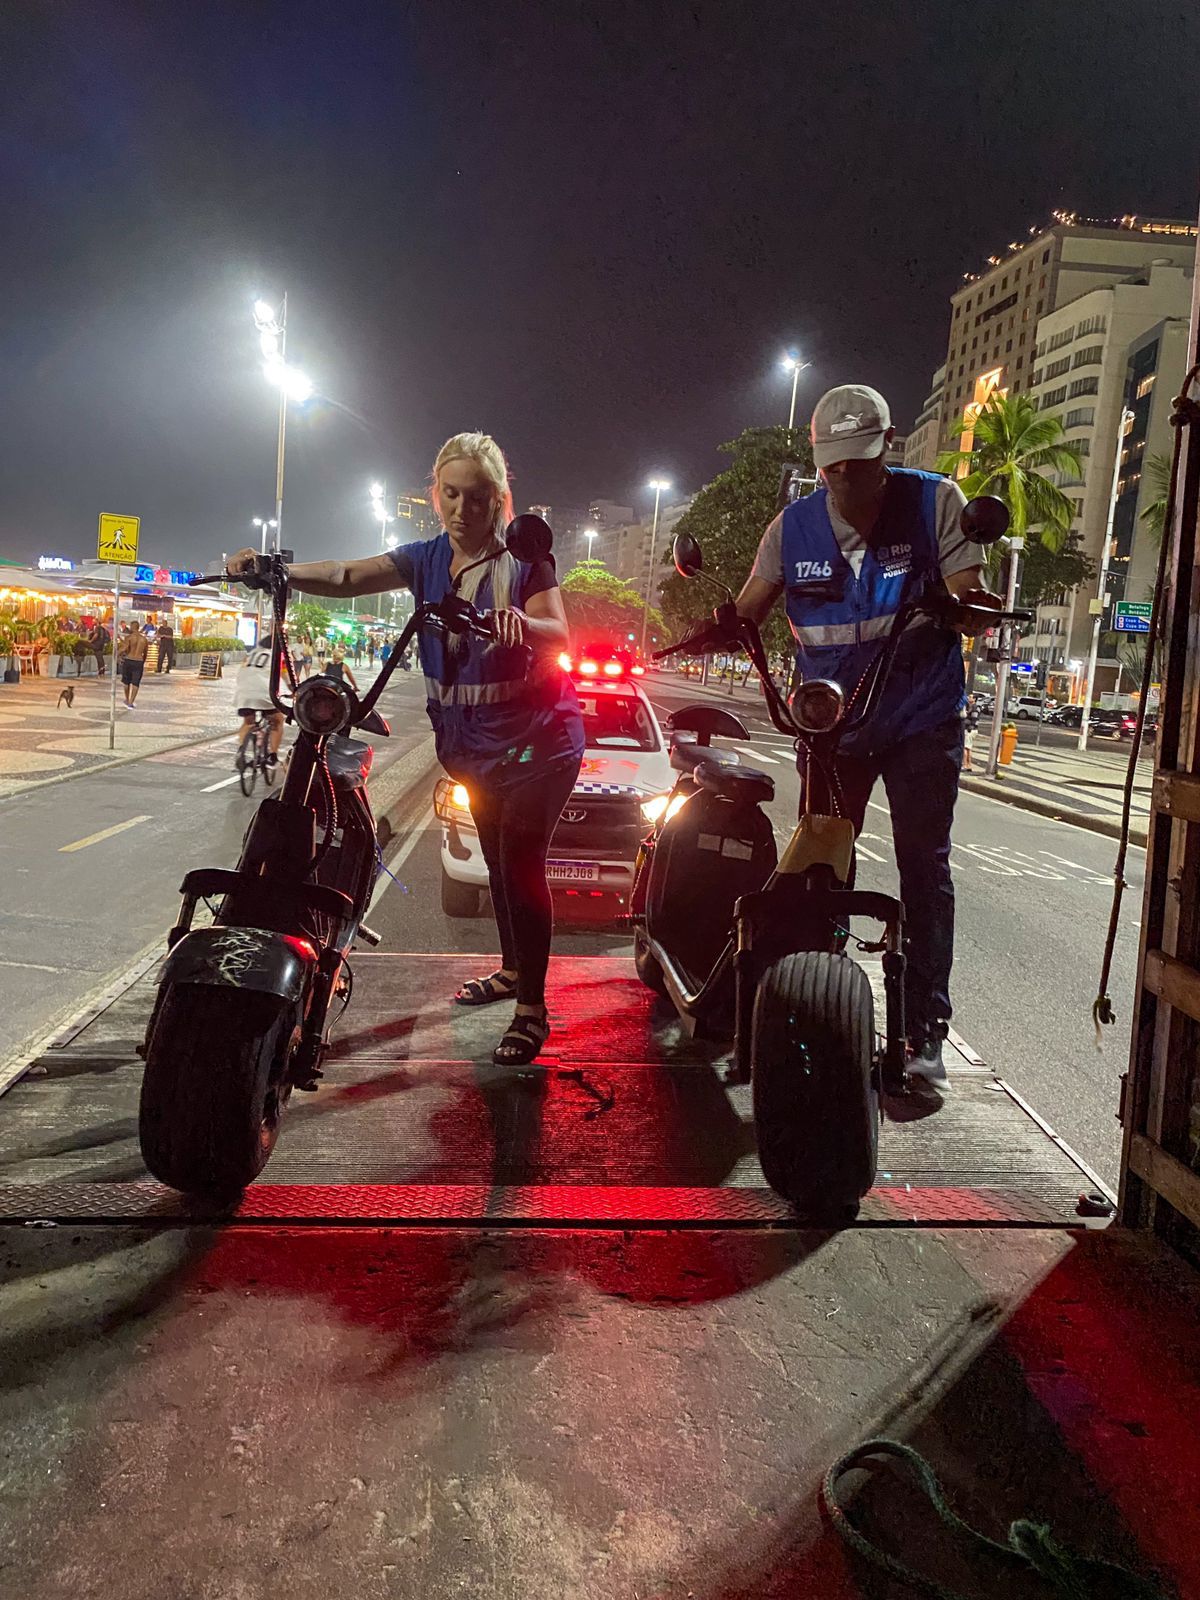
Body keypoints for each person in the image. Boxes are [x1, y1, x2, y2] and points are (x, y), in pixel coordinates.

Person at [226, 431, 583, 1065]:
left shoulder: (525, 564)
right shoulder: (424, 558)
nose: (463, 510)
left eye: (478, 498)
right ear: (435, 494)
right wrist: (278, 569)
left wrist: (525, 624)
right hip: (473, 750)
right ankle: (509, 971)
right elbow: (346, 574)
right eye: (450, 495)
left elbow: (559, 633)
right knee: (498, 862)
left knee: (521, 862)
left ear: (501, 500)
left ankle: (532, 1008)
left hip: (537, 747)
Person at [734, 384, 1000, 1092]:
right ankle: (813, 1010)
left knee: (923, 867)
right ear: (819, 464)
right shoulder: (790, 529)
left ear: (886, 450)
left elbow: (968, 592)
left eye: (860, 463)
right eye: (834, 468)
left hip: (921, 717)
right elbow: (746, 610)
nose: (847, 479)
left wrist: (968, 608)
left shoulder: (934, 502)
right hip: (834, 727)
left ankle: (922, 1029)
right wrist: (721, 631)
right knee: (818, 870)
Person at [233, 631, 285, 763]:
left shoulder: (250, 654)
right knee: (277, 721)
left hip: (244, 693)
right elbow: (287, 678)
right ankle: (273, 756)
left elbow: (241, 673)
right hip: (265, 694)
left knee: (248, 722)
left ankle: (240, 752)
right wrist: (293, 691)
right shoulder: (277, 656)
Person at [116, 621, 149, 706]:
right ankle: (131, 702)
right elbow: (145, 653)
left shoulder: (129, 638)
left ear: (132, 627)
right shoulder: (144, 639)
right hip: (139, 661)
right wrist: (142, 661)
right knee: (136, 682)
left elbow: (124, 648)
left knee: (126, 682)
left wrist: (117, 655)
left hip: (129, 660)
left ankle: (127, 699)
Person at [962, 693, 980, 772]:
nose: (968, 698)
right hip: (970, 729)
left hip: (970, 730)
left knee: (965, 748)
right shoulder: (970, 707)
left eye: (970, 697)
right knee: (968, 748)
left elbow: (974, 719)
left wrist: (969, 727)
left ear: (974, 699)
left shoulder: (975, 707)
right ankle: (968, 765)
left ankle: (965, 764)